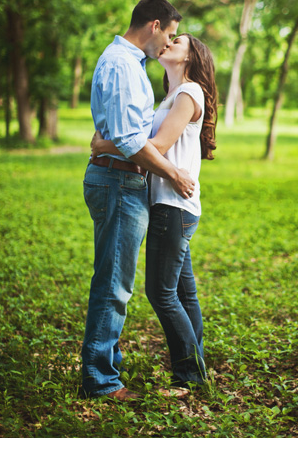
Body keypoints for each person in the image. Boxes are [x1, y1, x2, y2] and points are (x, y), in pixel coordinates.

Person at [81, 0, 195, 401]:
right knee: (114, 285)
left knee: (114, 279)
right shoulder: (121, 63)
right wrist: (173, 173)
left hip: (121, 179)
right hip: (118, 183)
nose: (168, 42)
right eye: (169, 33)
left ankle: (107, 362)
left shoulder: (129, 64)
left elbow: (124, 134)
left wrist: (104, 145)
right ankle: (101, 381)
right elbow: (131, 139)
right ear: (154, 25)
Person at [92, 33, 218, 391]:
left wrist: (103, 143)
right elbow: (143, 142)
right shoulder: (170, 97)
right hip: (171, 204)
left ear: (190, 58)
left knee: (161, 293)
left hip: (171, 207)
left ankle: (190, 376)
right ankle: (196, 371)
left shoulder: (188, 93)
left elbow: (158, 147)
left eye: (178, 41)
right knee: (183, 292)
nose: (169, 43)